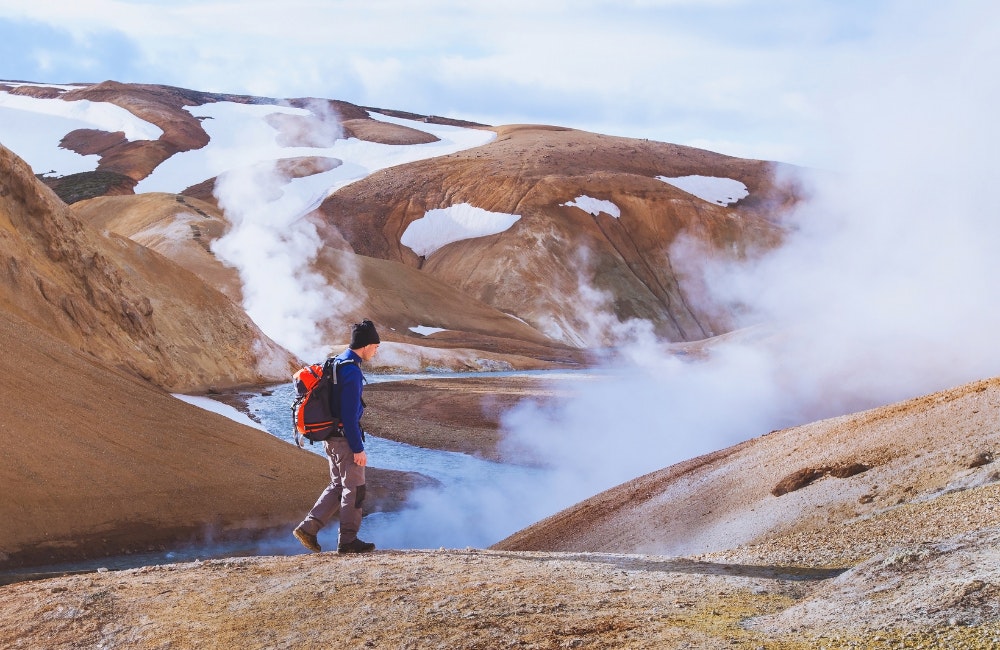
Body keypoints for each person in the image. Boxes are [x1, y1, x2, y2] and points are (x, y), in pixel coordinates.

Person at [293, 319, 380, 554]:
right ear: (365, 345)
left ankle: (308, 529)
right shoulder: (351, 370)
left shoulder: (336, 363)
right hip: (345, 440)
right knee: (355, 490)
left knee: (338, 486)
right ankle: (348, 541)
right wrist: (358, 448)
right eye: (375, 345)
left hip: (330, 438)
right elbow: (349, 416)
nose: (376, 350)